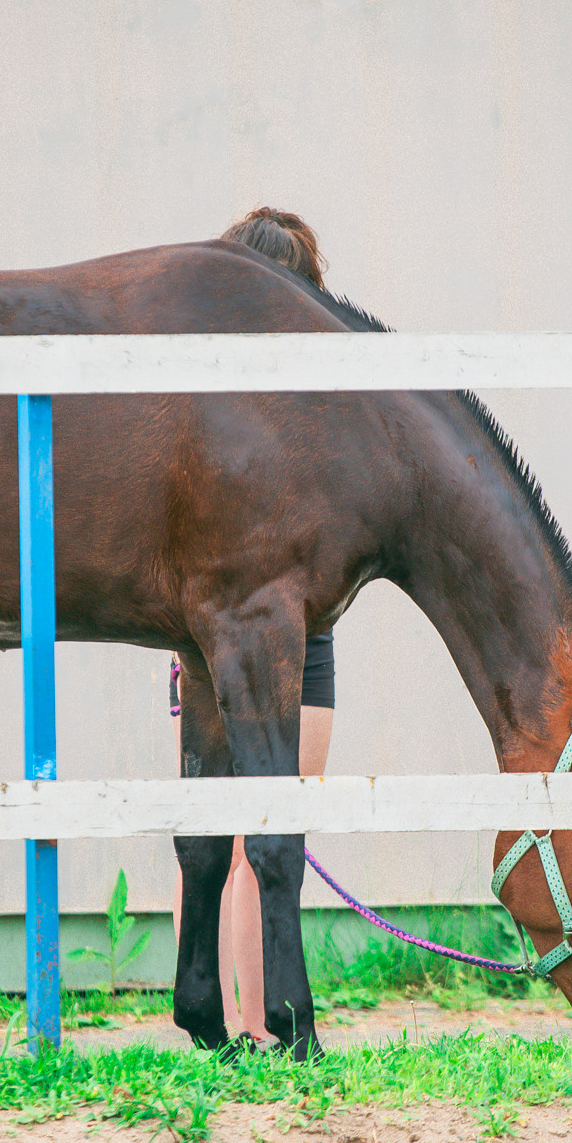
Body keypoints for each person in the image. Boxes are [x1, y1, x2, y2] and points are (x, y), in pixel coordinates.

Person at [172, 208, 336, 1045]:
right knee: (228, 840)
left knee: (268, 837)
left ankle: (248, 1016)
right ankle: (239, 1021)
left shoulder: (311, 399)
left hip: (304, 636)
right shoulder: (209, 400)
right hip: (217, 633)